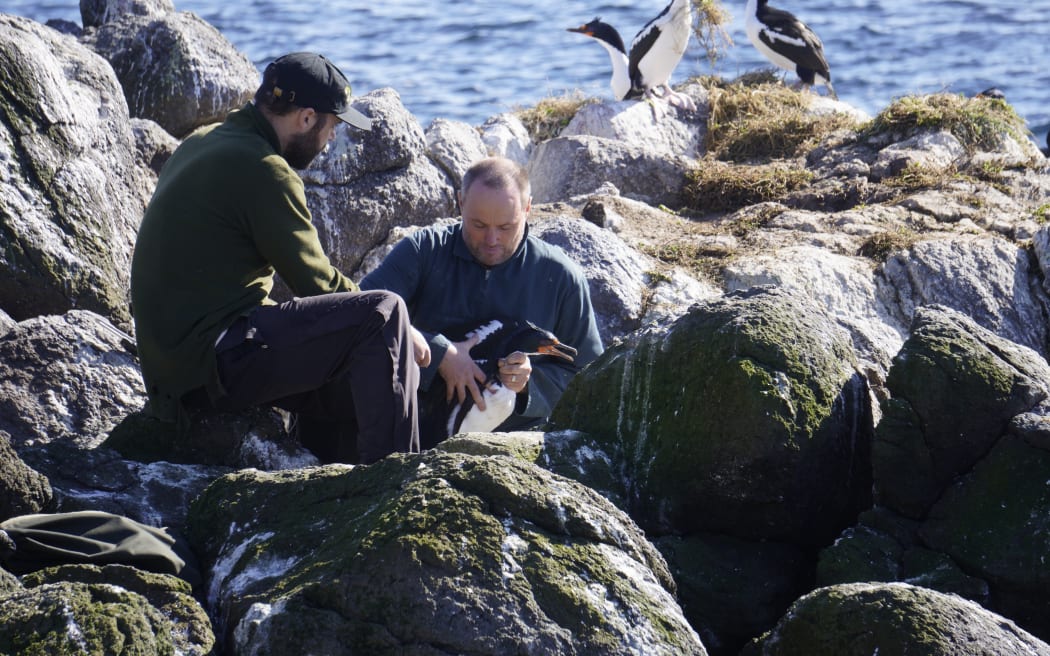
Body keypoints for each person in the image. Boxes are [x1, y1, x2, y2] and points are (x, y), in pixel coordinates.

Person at [130, 52, 429, 464]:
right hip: (208, 361)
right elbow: (316, 282)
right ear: (306, 118)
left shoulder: (204, 141)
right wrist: (402, 327)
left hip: (173, 365)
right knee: (384, 310)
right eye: (332, 127)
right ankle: (395, 487)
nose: (328, 143)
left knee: (356, 375)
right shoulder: (265, 168)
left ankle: (328, 480)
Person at [360, 157, 603, 444]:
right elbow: (362, 310)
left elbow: (590, 380)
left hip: (516, 442)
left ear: (527, 209)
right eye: (478, 224)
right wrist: (440, 354)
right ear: (460, 202)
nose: (491, 240)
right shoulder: (423, 250)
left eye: (505, 227)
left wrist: (528, 384)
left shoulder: (561, 277)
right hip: (416, 429)